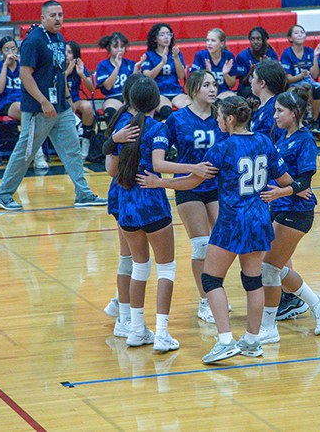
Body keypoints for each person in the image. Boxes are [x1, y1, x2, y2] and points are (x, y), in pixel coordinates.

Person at [137, 95, 294, 364]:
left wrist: (157, 183)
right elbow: (287, 180)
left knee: (211, 279)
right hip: (259, 218)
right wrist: (279, 193)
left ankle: (225, 341)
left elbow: (191, 183)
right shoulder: (265, 142)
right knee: (253, 280)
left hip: (233, 220)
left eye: (220, 116)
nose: (217, 120)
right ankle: (253, 341)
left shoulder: (223, 147)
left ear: (230, 119)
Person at [0, 0, 107, 211]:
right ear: (42, 18)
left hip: (60, 107)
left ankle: (83, 194)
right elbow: (25, 75)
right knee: (25, 153)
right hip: (38, 109)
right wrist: (43, 101)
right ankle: (3, 194)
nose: (57, 19)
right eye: (53, 15)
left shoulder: (60, 38)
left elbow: (59, 73)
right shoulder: (33, 41)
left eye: (60, 15)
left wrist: (67, 101)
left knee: (72, 151)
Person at [106, 76, 182, 353]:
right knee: (166, 269)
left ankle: (136, 329)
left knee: (139, 267)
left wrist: (113, 143)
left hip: (125, 203)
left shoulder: (121, 127)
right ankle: (162, 333)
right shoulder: (158, 128)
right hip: (151, 202)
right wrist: (193, 168)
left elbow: (111, 171)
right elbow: (161, 163)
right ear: (156, 100)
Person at [258, 85, 320, 344]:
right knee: (273, 269)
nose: (275, 115)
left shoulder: (305, 139)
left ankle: (269, 327)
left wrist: (281, 192)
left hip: (297, 212)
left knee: (268, 268)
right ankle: (318, 303)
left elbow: (305, 181)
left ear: (294, 112)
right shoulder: (282, 138)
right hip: (280, 209)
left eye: (280, 111)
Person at [163, 70, 224, 323]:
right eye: (206, 85)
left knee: (221, 243)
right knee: (200, 244)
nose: (212, 89)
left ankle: (216, 293)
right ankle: (205, 300)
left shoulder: (221, 116)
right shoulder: (177, 120)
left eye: (214, 84)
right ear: (193, 89)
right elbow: (159, 155)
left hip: (217, 187)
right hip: (189, 187)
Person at [101, 73, 144, 337]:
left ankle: (120, 303)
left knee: (131, 257)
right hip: (126, 194)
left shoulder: (125, 119)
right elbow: (110, 168)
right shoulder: (129, 124)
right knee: (131, 259)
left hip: (128, 195)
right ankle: (124, 316)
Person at [0, 37, 50, 169]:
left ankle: (31, 152)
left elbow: (35, 84)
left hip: (25, 100)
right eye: (6, 49)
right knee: (25, 110)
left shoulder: (23, 65)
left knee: (37, 112)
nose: (10, 52)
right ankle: (37, 155)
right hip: (6, 103)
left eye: (13, 48)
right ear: (0, 51)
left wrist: (24, 67)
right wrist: (5, 65)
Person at [280, 24, 320, 132]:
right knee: (300, 90)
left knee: (317, 89)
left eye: (302, 32)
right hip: (294, 84)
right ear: (290, 38)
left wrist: (315, 56)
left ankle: (314, 121)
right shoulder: (286, 54)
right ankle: (299, 121)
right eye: (296, 33)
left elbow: (314, 74)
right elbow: (288, 79)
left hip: (309, 82)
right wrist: (301, 76)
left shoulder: (309, 51)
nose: (300, 34)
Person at [141, 23, 190, 118]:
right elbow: (147, 77)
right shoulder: (149, 56)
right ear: (155, 38)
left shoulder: (176, 53)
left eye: (169, 34)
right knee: (166, 110)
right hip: (158, 92)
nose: (166, 37)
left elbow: (181, 76)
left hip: (175, 91)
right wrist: (162, 63)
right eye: (162, 34)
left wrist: (175, 58)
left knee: (189, 107)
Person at [96, 32, 138, 127]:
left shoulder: (131, 64)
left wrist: (136, 70)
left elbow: (135, 85)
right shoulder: (103, 65)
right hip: (113, 96)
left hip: (129, 96)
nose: (119, 50)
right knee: (110, 110)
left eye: (122, 47)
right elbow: (107, 86)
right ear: (109, 48)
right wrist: (117, 67)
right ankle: (113, 135)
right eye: (116, 47)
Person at [65, 40, 97, 160]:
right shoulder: (57, 66)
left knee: (88, 107)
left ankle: (85, 140)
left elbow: (91, 88)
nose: (66, 54)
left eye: (69, 52)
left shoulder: (78, 66)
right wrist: (66, 73)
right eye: (64, 51)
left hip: (75, 100)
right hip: (59, 101)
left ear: (75, 55)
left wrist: (82, 74)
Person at [191, 28, 239, 100]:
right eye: (207, 40)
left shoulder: (228, 56)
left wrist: (225, 74)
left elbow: (232, 85)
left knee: (233, 98)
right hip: (205, 93)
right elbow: (193, 82)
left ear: (221, 43)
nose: (209, 43)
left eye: (213, 41)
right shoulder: (200, 56)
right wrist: (208, 74)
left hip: (223, 93)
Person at [250, 58, 287, 142]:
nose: (251, 81)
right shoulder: (264, 106)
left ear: (262, 83)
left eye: (253, 77)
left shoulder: (274, 109)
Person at [236, 27, 279, 97]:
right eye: (252, 39)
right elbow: (243, 82)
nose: (255, 42)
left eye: (258, 39)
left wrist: (266, 67)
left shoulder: (271, 54)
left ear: (263, 40)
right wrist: (251, 72)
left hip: (267, 87)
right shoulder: (242, 56)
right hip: (248, 88)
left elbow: (276, 79)